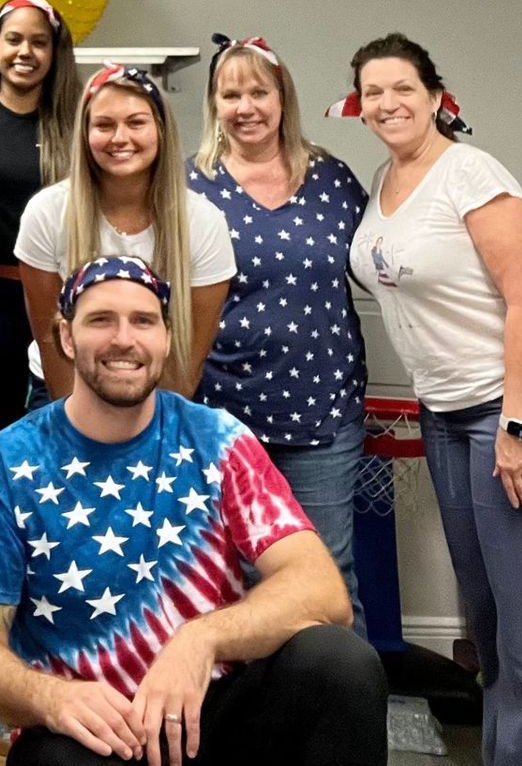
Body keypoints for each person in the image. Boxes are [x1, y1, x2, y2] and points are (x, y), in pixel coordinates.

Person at [0, 257, 385, 766]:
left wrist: (201, 639)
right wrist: (50, 698)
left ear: (165, 338)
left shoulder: (217, 439)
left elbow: (322, 590)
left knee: (340, 662)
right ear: (67, 338)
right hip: (100, 731)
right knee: (47, 758)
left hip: (214, 711)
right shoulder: (5, 464)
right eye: (101, 320)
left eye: (143, 321)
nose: (124, 339)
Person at [341, 33, 522, 766]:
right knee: (487, 616)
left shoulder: (469, 171)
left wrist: (516, 425)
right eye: (373, 92)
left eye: (403, 88)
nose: (388, 103)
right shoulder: (384, 180)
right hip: (448, 411)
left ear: (434, 96)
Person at [187, 34, 369, 631]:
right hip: (221, 419)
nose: (246, 107)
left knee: (329, 580)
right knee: (232, 584)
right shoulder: (189, 187)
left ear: (282, 98)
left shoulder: (333, 179)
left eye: (259, 92)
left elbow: (385, 261)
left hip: (322, 417)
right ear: (214, 105)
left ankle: (343, 696)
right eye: (230, 94)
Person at [16, 66, 234, 403]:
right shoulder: (46, 213)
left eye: (136, 123)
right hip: (66, 391)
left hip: (159, 394)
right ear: (85, 134)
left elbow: (185, 365)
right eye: (104, 125)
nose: (120, 138)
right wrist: (80, 427)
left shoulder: (204, 222)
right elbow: (53, 347)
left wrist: (151, 428)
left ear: (160, 129)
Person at [0, 0, 81, 433]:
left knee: (66, 422)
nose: (25, 52)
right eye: (14, 40)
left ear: (55, 52)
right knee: (4, 430)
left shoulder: (77, 123)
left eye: (39, 42)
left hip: (65, 297)